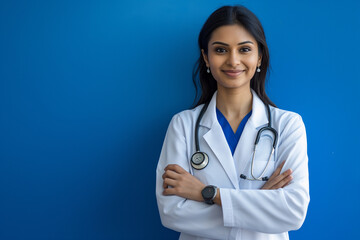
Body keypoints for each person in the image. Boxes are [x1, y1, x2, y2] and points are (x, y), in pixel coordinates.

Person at [156, 5, 309, 240]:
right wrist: (259, 207)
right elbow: (171, 213)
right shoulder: (183, 125)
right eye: (221, 50)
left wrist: (207, 194)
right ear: (206, 57)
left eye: (245, 49)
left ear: (259, 56)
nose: (233, 60)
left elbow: (293, 212)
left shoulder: (288, 125)